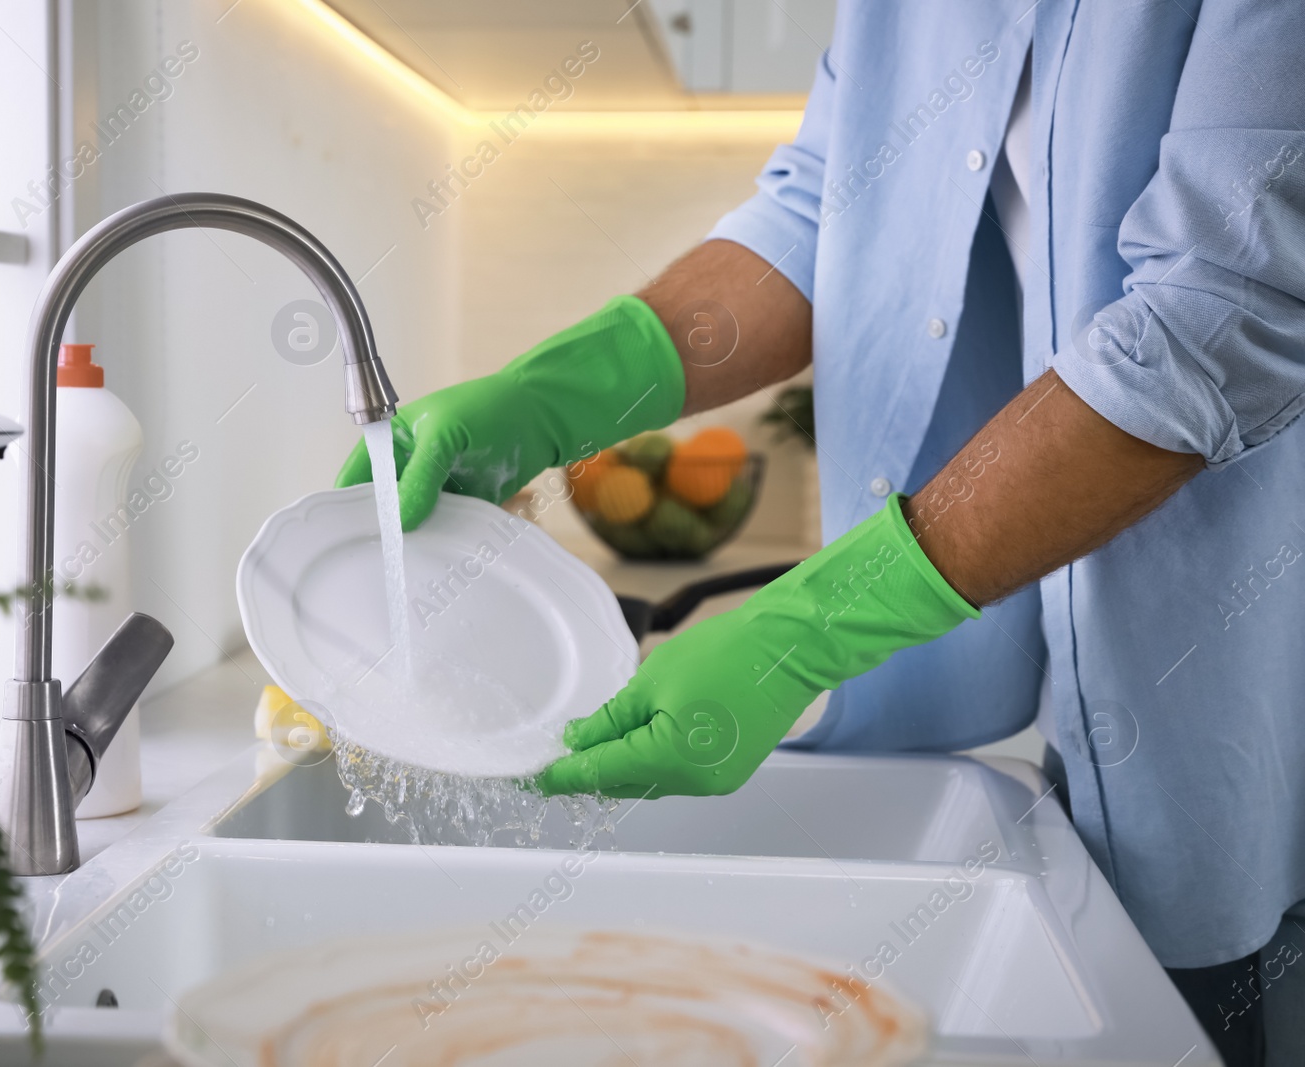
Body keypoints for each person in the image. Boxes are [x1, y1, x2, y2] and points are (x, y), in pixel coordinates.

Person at [337, 4, 1305, 1061]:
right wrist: (553, 395)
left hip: (1231, 695)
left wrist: (809, 622)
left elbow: (1217, 312)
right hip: (1034, 704)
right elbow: (821, 210)